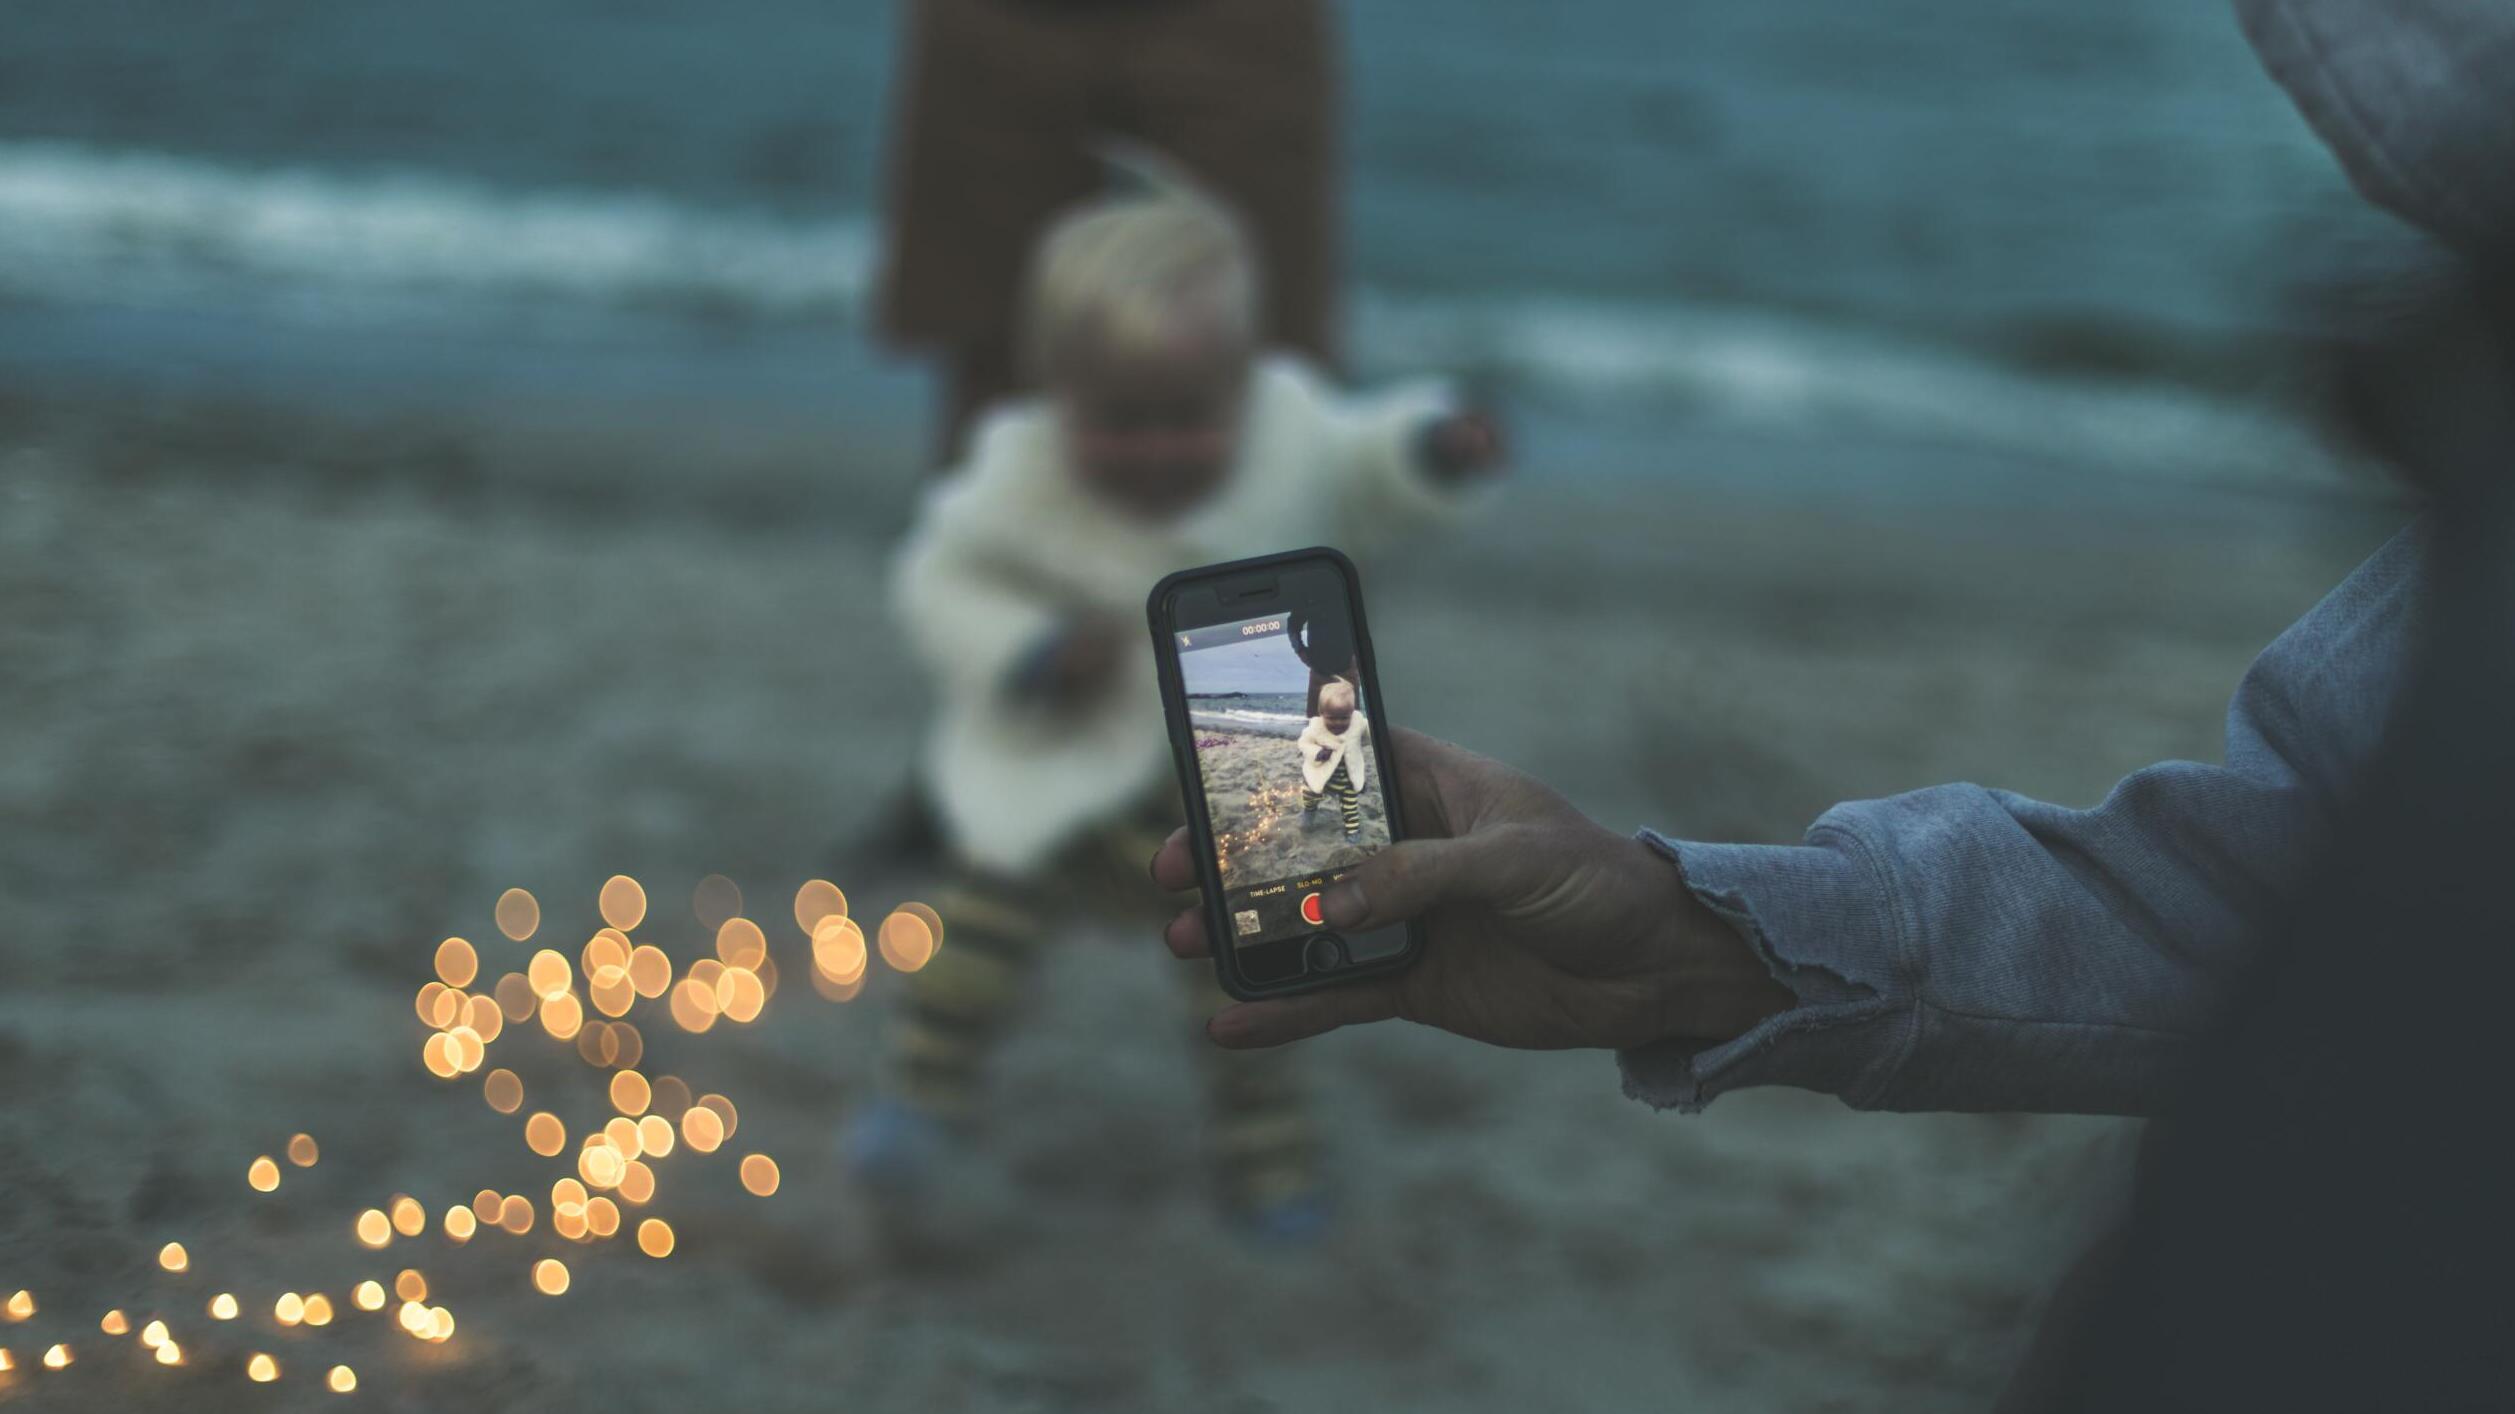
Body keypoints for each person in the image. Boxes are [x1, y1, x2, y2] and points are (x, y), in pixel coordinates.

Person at [852, 178, 1503, 1242]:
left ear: (1241, 387)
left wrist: (1432, 450)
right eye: (1118, 423)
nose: (1156, 449)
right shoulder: (1020, 468)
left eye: (1188, 420)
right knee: (972, 938)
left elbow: (1366, 462)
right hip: (1064, 777)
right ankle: (919, 1102)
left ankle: (1269, 1164)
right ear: (1056, 390)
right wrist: (1027, 647)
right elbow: (941, 573)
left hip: (1253, 784)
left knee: (1255, 988)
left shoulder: (1289, 430)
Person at [877, 0, 1343, 466]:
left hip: (1237, 17)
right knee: (992, 346)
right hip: (994, 17)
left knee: (1269, 344)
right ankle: (996, 528)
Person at [1296, 678, 1368, 841]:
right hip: (1321, 773)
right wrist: (1317, 752)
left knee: (1350, 806)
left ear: (1352, 713)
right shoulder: (1315, 728)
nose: (1338, 723)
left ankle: (1352, 830)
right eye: (1332, 718)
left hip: (1346, 778)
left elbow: (1370, 735)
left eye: (1344, 718)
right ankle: (1309, 810)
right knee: (1310, 795)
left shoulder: (1358, 724)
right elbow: (1304, 743)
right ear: (1321, 714)